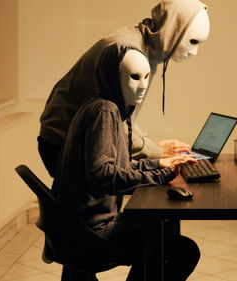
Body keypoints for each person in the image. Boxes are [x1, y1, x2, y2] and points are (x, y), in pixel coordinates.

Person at [51, 45, 199, 281]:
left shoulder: (98, 104)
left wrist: (159, 164)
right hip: (91, 231)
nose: (142, 85)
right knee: (184, 251)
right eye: (134, 77)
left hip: (77, 226)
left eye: (146, 77)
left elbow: (117, 167)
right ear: (112, 75)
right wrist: (161, 175)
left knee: (165, 228)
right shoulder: (105, 112)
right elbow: (103, 175)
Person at [38, 0, 210, 177]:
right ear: (173, 29)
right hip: (63, 144)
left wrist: (150, 147)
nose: (194, 52)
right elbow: (112, 123)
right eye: (193, 41)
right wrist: (156, 152)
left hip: (70, 139)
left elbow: (123, 119)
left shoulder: (146, 49)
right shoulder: (129, 53)